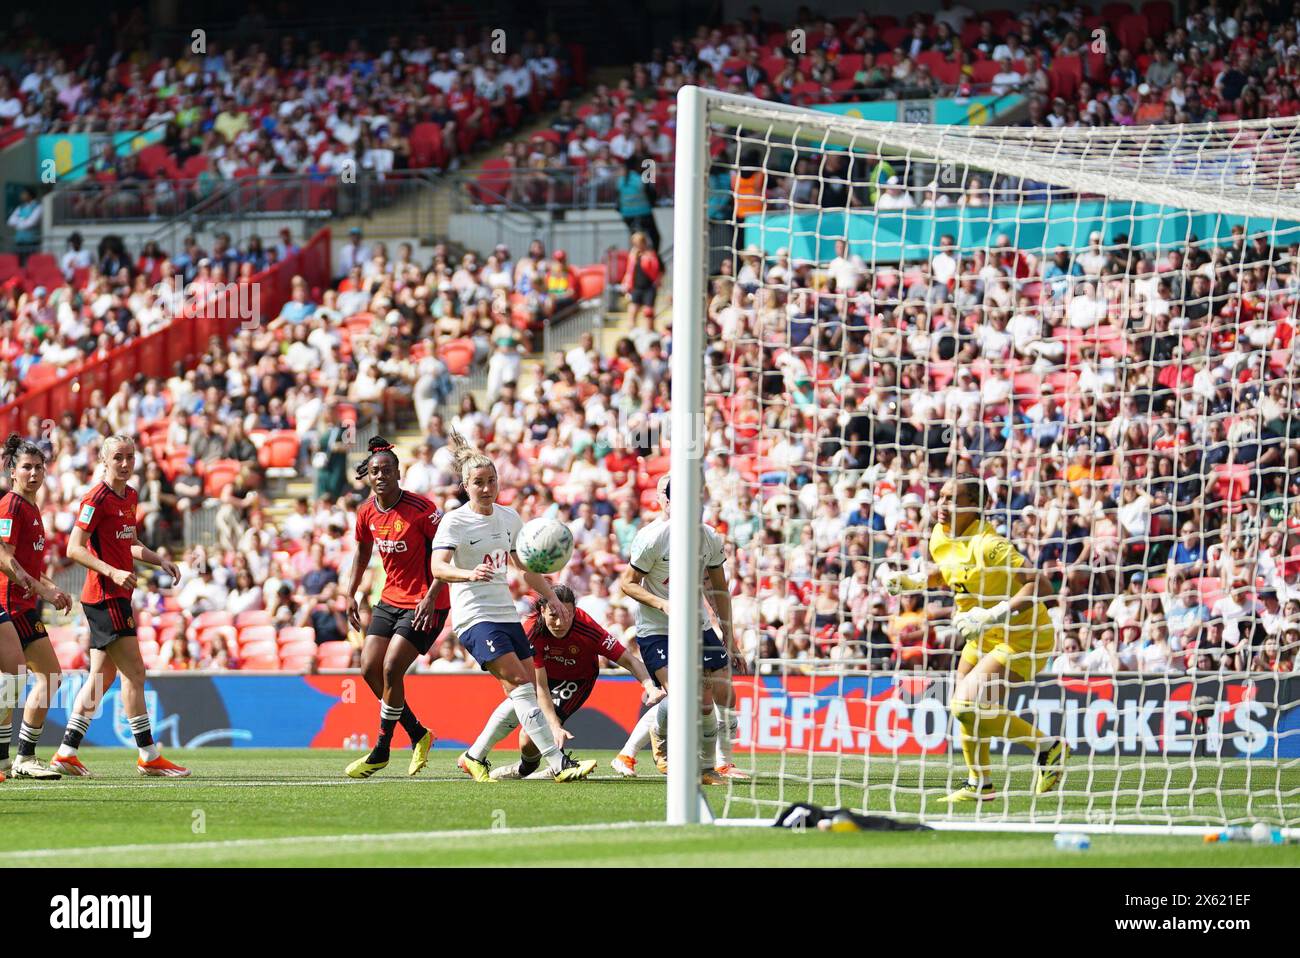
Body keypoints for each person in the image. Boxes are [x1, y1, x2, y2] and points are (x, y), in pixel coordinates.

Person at [884, 473, 1066, 802]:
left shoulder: (990, 544)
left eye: (952, 498)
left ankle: (1048, 747)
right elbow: (949, 571)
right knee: (971, 709)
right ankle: (979, 785)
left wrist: (994, 613)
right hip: (981, 634)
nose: (942, 504)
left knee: (965, 705)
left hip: (1021, 634)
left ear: (975, 506)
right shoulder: (939, 535)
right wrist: (913, 582)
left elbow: (1040, 584)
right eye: (941, 496)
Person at [431, 431, 597, 783]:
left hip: (507, 615)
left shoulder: (508, 519)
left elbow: (526, 568)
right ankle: (559, 763)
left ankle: (473, 756)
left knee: (525, 693)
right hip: (475, 617)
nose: (487, 488)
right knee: (522, 685)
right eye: (479, 483)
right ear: (466, 485)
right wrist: (468, 573)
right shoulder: (455, 521)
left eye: (492, 481)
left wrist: (551, 597)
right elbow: (438, 568)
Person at [51, 435, 189, 777]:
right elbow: (73, 548)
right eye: (118, 458)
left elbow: (128, 542)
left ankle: (66, 752)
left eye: (130, 457)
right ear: (103, 460)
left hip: (114, 595)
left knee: (101, 678)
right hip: (104, 596)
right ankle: (148, 755)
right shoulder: (95, 498)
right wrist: (112, 571)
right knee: (135, 673)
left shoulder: (130, 495)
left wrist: (159, 560)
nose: (125, 464)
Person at [615, 474, 743, 784]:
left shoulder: (710, 537)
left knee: (723, 690)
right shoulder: (653, 537)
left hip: (697, 626)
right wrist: (664, 605)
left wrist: (730, 636)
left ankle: (715, 764)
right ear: (670, 502)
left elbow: (718, 590)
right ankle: (690, 759)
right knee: (690, 696)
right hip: (657, 628)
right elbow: (627, 584)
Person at [342, 437, 450, 779]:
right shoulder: (366, 512)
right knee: (369, 668)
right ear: (368, 476)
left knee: (391, 669)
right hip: (390, 598)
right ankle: (418, 733)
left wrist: (432, 595)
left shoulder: (423, 510)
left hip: (427, 603)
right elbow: (361, 553)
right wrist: (350, 593)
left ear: (399, 473)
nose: (381, 476)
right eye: (375, 471)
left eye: (387, 470)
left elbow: (450, 553)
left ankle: (381, 750)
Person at [475, 584, 664, 779]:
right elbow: (541, 687)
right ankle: (485, 756)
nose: (560, 622)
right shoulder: (530, 631)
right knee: (524, 719)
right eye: (553, 615)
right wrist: (554, 726)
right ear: (542, 611)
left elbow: (629, 660)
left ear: (575, 612)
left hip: (577, 680)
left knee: (528, 737)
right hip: (543, 680)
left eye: (567, 615)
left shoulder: (588, 628)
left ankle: (533, 768)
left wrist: (649, 685)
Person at [0, 435, 72, 780]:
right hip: (11, 604)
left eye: (39, 467)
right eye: (26, 467)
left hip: (24, 602)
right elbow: (6, 560)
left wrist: (50, 585)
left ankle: (20, 757)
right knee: (41, 676)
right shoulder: (12, 506)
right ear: (12, 472)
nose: (33, 472)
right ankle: (21, 757)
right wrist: (43, 591)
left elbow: (27, 561)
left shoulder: (30, 507)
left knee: (30, 679)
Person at [617, 155, 659, 250]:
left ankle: (637, 257)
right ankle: (652, 258)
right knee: (655, 238)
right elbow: (652, 195)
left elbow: (618, 199)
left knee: (636, 240)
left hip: (627, 215)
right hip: (644, 214)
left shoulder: (621, 180)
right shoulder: (641, 179)